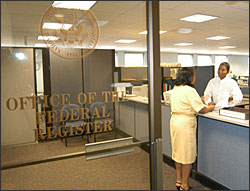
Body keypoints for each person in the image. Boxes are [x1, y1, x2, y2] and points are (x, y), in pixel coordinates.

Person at [170, 68, 214, 190]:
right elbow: (201, 109)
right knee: (187, 155)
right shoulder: (190, 90)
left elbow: (186, 102)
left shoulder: (176, 89)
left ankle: (179, 181)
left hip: (175, 121)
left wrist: (200, 100)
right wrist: (210, 107)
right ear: (190, 78)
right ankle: (185, 185)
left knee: (178, 152)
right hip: (185, 124)